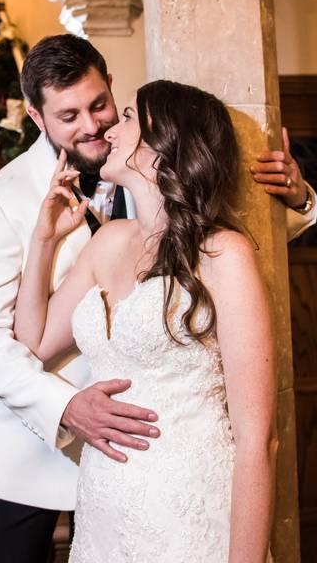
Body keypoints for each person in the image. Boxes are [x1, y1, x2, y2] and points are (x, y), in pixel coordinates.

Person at [0, 35, 317, 562]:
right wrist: (66, 408)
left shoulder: (140, 158)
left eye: (102, 105)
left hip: (175, 468)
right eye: (69, 115)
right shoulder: (3, 196)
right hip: (38, 448)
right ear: (36, 117)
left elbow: (216, 243)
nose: (93, 125)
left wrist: (298, 198)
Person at [15, 80, 273, 561]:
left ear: (165, 145)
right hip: (103, 512)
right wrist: (43, 241)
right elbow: (32, 343)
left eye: (129, 117)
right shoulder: (109, 241)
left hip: (190, 513)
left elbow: (258, 438)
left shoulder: (223, 255)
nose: (111, 129)